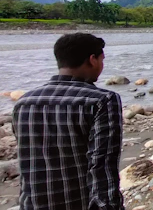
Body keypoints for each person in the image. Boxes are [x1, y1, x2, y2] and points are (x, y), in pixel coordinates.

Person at [12, 33, 124, 210]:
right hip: (78, 203)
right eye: (102, 59)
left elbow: (27, 161)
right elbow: (102, 165)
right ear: (92, 59)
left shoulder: (24, 103)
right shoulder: (102, 100)